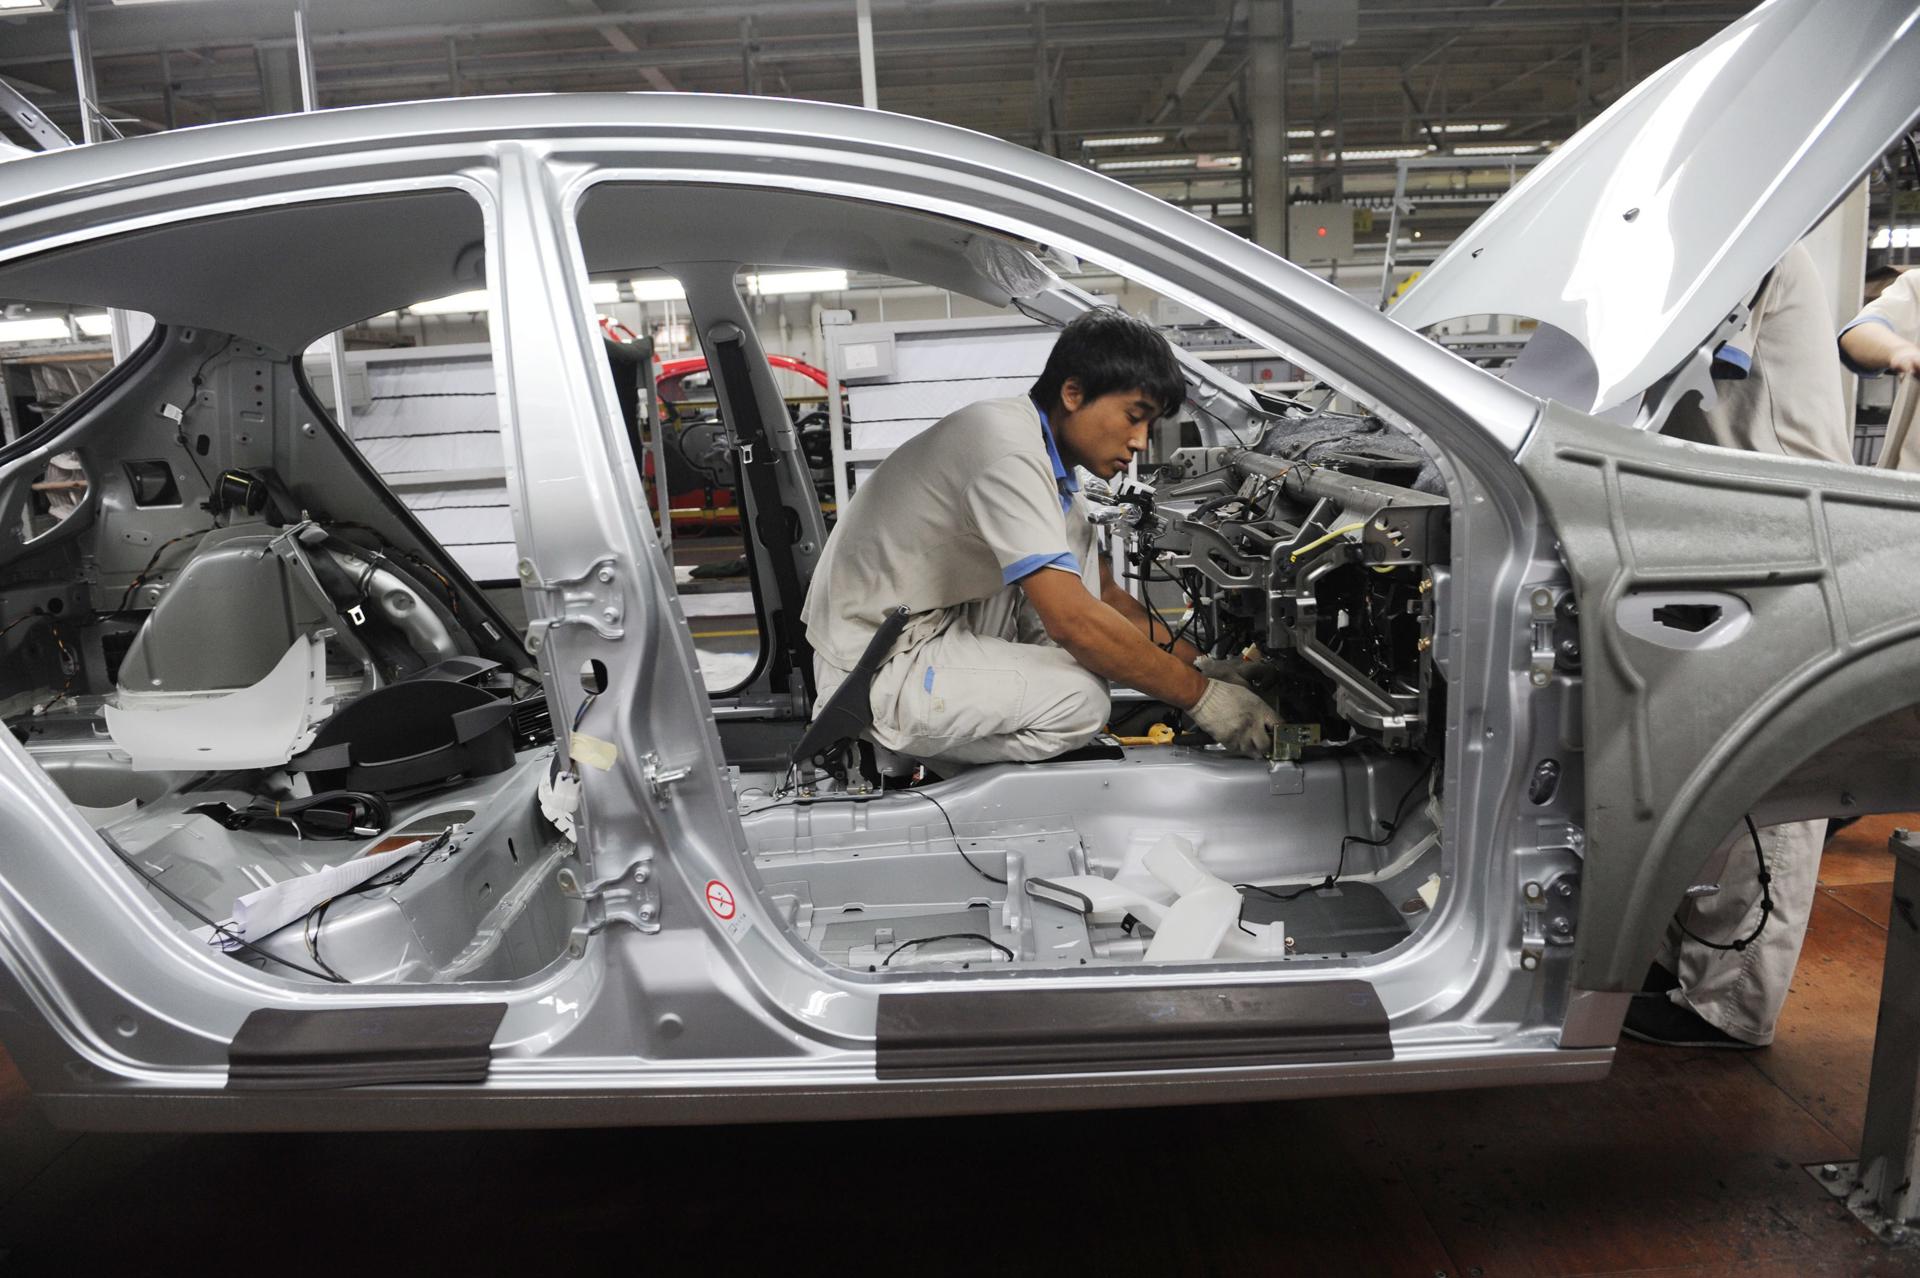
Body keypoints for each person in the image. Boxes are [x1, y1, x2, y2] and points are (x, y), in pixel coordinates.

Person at [799, 307, 1277, 771]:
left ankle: (922, 741)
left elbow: (1104, 600)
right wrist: (1203, 700)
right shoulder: (1004, 447)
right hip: (872, 664)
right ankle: (891, 751)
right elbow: (1075, 623)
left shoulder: (1058, 476)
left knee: (1078, 631)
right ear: (1073, 393)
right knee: (1083, 700)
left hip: (923, 627)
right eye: (1134, 415)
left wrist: (1207, 669)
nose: (1140, 440)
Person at [1627, 241, 1851, 1049]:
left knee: (1771, 790)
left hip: (1781, 528)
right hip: (1713, 526)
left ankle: (1730, 1006)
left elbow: (1686, 361)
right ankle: (1674, 963)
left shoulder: (1752, 241)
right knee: (1698, 770)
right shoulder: (1700, 241)